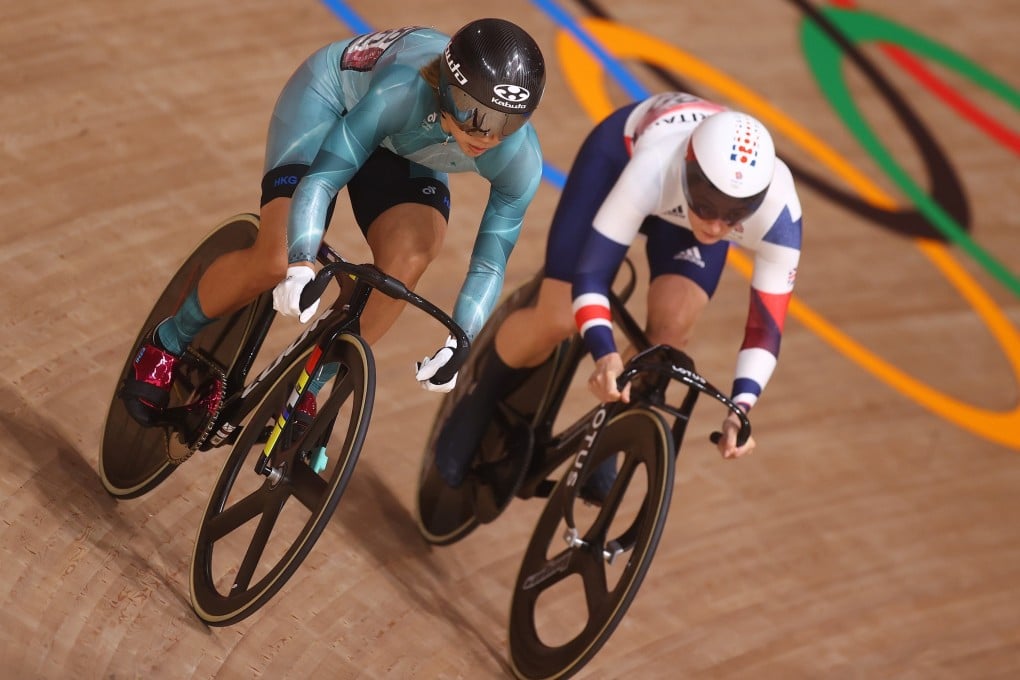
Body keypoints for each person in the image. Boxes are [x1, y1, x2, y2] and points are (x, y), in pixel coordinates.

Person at [120, 19, 547, 425]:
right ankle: (168, 340)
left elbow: (490, 264)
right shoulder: (403, 90)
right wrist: (303, 261)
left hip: (406, 146)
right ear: (450, 89)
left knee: (410, 258)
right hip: (334, 103)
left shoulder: (519, 158)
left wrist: (461, 342)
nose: (486, 135)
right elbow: (323, 180)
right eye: (475, 113)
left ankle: (309, 384)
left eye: (506, 122)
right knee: (276, 257)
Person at [434, 91, 803, 503]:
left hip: (679, 209)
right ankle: (478, 397)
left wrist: (742, 407)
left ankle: (610, 422)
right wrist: (605, 353)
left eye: (735, 215)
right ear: (688, 171)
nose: (717, 227)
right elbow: (591, 278)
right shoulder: (654, 166)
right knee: (559, 314)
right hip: (616, 163)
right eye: (709, 207)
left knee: (669, 336)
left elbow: (765, 330)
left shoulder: (780, 215)